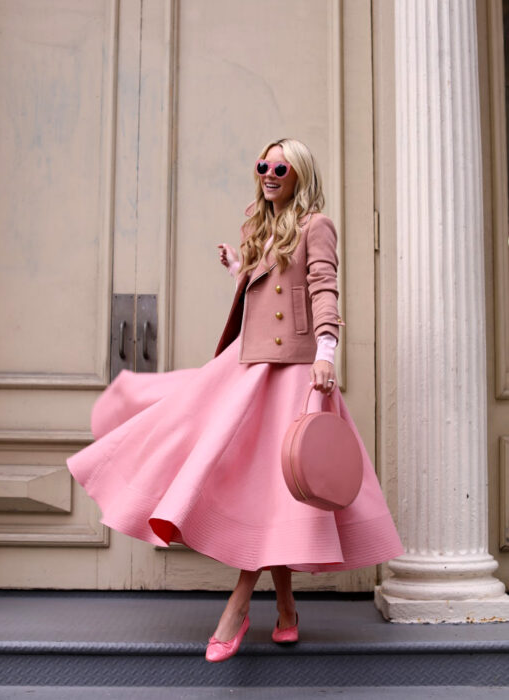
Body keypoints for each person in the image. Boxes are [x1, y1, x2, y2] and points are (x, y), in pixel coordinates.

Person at [66, 137, 403, 664]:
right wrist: (237, 269)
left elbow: (322, 289)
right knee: (245, 474)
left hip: (294, 373)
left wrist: (327, 353)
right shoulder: (265, 228)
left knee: (279, 489)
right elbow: (272, 291)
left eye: (280, 167)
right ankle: (286, 608)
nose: (269, 174)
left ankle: (239, 605)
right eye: (263, 165)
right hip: (248, 368)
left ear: (300, 175)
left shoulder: (316, 225)